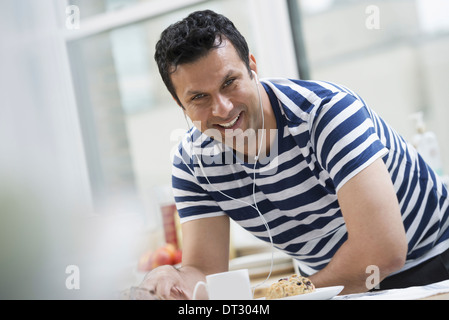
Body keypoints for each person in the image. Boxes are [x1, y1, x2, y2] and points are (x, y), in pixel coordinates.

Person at [142, 9, 449, 299]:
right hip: (333, 287)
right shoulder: (192, 162)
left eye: (229, 82)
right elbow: (206, 270)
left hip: (433, 266)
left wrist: (294, 293)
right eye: (199, 97)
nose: (222, 108)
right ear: (178, 101)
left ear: (252, 67)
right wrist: (173, 280)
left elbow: (383, 251)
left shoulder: (326, 113)